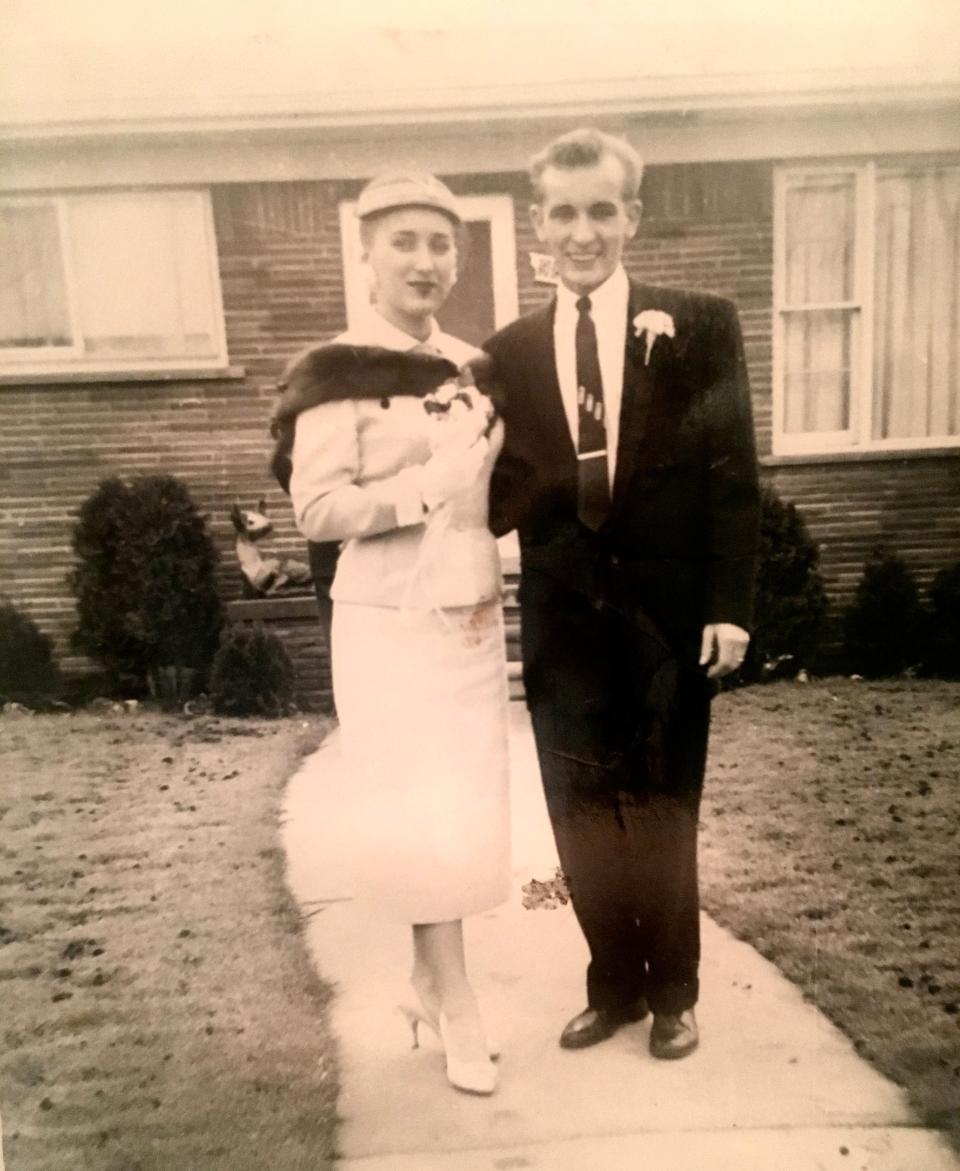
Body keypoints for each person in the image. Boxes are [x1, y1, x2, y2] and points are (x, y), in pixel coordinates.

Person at [484, 128, 760, 1060]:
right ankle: (614, 985)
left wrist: (730, 605)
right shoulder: (507, 352)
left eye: (602, 209)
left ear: (632, 217)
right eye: (563, 212)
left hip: (670, 622)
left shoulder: (701, 324)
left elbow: (732, 476)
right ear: (540, 222)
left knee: (664, 804)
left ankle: (675, 991)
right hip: (564, 625)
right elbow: (494, 494)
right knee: (581, 809)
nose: (582, 231)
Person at [275, 172, 509, 1096]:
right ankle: (456, 1001)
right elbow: (316, 509)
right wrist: (420, 491)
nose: (425, 261)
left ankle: (428, 979)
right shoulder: (336, 371)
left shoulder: (472, 364)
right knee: (421, 809)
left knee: (465, 811)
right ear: (366, 253)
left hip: (472, 612)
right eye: (404, 241)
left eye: (441, 244)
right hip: (387, 621)